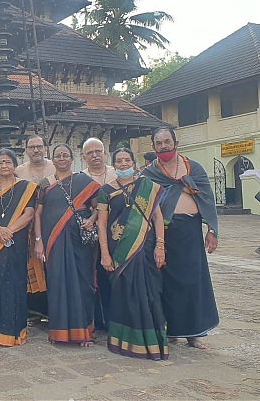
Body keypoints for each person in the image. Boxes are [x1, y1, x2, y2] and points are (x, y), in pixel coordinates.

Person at [142, 126, 219, 349]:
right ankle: (171, 331)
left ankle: (193, 334)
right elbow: (145, 203)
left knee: (192, 280)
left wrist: (211, 230)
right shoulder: (150, 173)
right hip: (162, 234)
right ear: (153, 147)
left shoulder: (193, 168)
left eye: (167, 141)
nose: (163, 146)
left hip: (190, 232)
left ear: (176, 143)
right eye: (159, 143)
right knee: (165, 282)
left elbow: (207, 198)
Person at [97, 148, 169, 360]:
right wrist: (104, 253)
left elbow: (157, 218)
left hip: (145, 249)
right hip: (118, 252)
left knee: (150, 293)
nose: (122, 164)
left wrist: (160, 245)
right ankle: (124, 342)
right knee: (123, 296)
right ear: (114, 165)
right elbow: (101, 224)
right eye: (118, 161)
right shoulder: (105, 191)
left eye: (127, 160)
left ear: (134, 164)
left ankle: (153, 342)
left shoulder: (148, 187)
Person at [33, 143, 101, 346]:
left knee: (82, 283)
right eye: (58, 156)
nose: (61, 158)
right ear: (52, 161)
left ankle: (84, 333)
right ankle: (59, 332)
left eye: (65, 155)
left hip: (80, 241)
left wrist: (92, 220)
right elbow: (37, 214)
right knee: (57, 283)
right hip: (52, 241)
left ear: (72, 159)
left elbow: (98, 208)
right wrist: (38, 241)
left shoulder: (84, 181)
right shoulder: (45, 184)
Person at [0, 149, 37, 346]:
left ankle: (13, 331)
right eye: (0, 162)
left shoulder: (26, 187)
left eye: (8, 162)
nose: (4, 166)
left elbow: (29, 213)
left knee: (13, 283)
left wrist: (8, 231)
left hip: (15, 242)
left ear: (14, 165)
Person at [15, 135, 55, 320]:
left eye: (39, 146)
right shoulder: (19, 171)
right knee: (31, 267)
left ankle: (52, 310)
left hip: (53, 224)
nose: (36, 150)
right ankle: (34, 310)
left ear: (45, 148)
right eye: (32, 147)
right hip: (28, 228)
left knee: (52, 266)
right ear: (26, 151)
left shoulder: (55, 167)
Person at [80, 137, 117, 332]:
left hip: (118, 234)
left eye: (98, 151)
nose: (95, 155)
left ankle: (117, 320)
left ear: (105, 153)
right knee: (93, 277)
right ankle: (97, 321)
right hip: (91, 235)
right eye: (90, 153)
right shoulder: (80, 178)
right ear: (84, 156)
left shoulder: (116, 173)